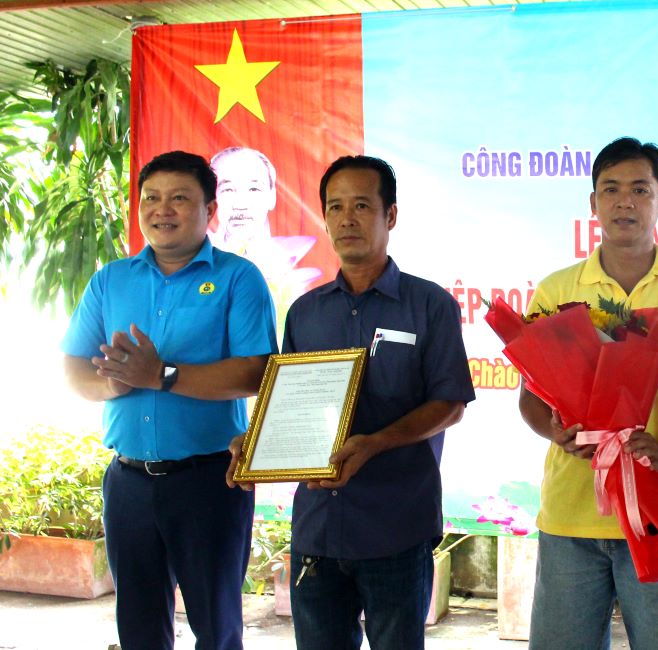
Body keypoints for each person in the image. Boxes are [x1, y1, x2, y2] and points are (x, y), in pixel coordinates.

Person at [228, 154, 475, 650]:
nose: (346, 218)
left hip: (395, 526)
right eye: (335, 206)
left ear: (391, 216)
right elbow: (291, 402)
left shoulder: (430, 305)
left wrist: (376, 443)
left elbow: (450, 402)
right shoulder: (305, 312)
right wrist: (256, 443)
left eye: (362, 205)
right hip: (318, 530)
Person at [519, 137, 658, 649]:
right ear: (592, 203)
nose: (625, 202)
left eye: (640, 190)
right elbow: (530, 396)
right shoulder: (557, 291)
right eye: (611, 189)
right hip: (571, 516)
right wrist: (554, 432)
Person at [61, 150, 277, 650]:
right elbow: (74, 369)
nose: (163, 209)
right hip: (128, 482)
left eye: (180, 198)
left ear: (210, 211)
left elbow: (257, 371)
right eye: (151, 198)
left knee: (216, 627)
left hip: (208, 482)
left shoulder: (238, 279)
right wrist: (117, 383)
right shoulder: (110, 280)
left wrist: (161, 374)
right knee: (138, 626)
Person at [210, 146, 321, 301]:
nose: (241, 204)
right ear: (211, 199)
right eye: (228, 190)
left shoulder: (292, 267)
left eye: (254, 189)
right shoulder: (190, 259)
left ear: (272, 196)